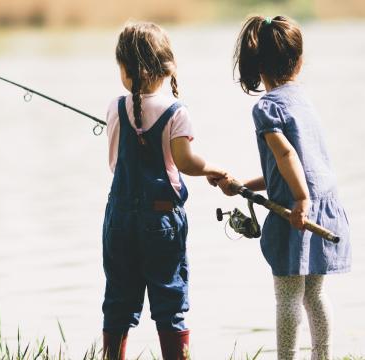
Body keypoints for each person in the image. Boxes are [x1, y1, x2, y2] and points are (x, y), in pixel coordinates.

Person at [217, 15, 352, 360]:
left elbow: (285, 153)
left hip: (299, 210)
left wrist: (301, 199)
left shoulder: (267, 107)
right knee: (315, 295)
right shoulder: (303, 99)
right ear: (299, 61)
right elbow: (293, 164)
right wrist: (245, 185)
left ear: (258, 65)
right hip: (323, 204)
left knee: (288, 296)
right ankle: (322, 356)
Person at [102, 21, 227, 360]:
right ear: (165, 67)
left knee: (118, 300)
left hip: (119, 220)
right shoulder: (176, 112)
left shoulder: (115, 107)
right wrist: (212, 170)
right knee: (169, 301)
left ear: (125, 69)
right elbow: (186, 163)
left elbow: (114, 163)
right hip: (161, 223)